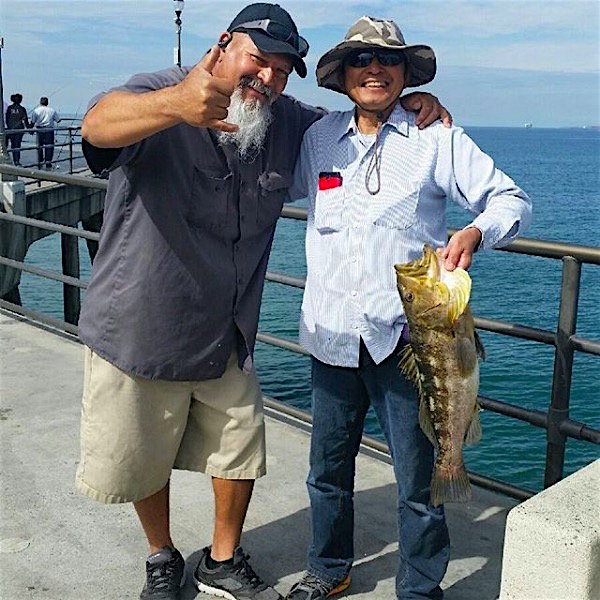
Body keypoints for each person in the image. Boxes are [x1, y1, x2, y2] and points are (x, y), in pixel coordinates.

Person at [76, 4, 450, 600]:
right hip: (141, 322)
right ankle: (162, 556)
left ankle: (222, 558)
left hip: (228, 329)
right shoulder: (158, 90)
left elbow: (355, 124)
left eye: (283, 69)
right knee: (140, 452)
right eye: (259, 60)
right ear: (224, 46)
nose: (269, 78)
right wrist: (174, 105)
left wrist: (414, 107)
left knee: (239, 448)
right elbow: (95, 126)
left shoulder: (284, 122)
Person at [286, 16, 532, 600]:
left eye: (388, 60)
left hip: (409, 342)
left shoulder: (437, 137)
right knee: (326, 473)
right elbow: (268, 182)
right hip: (332, 335)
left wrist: (475, 232)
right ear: (343, 74)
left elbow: (511, 199)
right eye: (361, 59)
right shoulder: (317, 138)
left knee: (419, 483)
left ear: (405, 73)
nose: (375, 69)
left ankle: (419, 588)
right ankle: (328, 567)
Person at [30, 96, 60, 168]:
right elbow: (58, 120)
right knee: (49, 146)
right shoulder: (52, 110)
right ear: (47, 102)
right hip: (49, 130)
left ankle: (40, 161)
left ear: (40, 102)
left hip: (39, 130)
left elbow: (33, 122)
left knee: (39, 146)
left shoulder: (36, 110)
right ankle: (48, 162)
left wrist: (30, 129)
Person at [5, 93, 31, 166]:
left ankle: (8, 159)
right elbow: (25, 120)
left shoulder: (9, 108)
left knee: (10, 145)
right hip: (19, 130)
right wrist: (29, 129)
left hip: (10, 129)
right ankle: (16, 161)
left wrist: (10, 126)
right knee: (17, 145)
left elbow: (7, 119)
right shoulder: (22, 109)